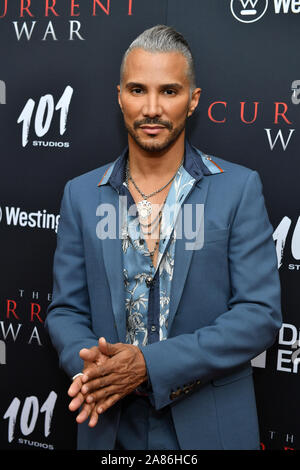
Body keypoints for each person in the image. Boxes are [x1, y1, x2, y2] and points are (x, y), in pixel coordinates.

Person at [45, 25, 282, 450]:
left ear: (192, 101)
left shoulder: (238, 189)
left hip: (210, 428)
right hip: (110, 426)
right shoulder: (80, 195)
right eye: (138, 90)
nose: (151, 108)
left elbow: (258, 314)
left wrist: (149, 366)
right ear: (120, 96)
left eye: (169, 91)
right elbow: (65, 310)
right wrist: (91, 369)